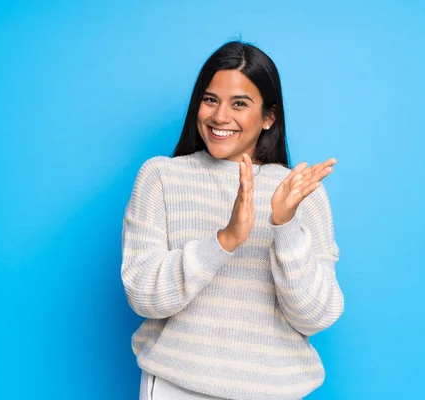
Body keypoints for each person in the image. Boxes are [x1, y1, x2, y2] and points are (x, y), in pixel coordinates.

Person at [121, 40, 344, 400]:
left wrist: (285, 227)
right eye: (210, 100)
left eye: (239, 104)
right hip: (177, 386)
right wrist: (224, 240)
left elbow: (314, 317)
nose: (220, 117)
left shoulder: (302, 193)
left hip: (276, 391)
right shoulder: (162, 177)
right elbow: (144, 296)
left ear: (269, 117)